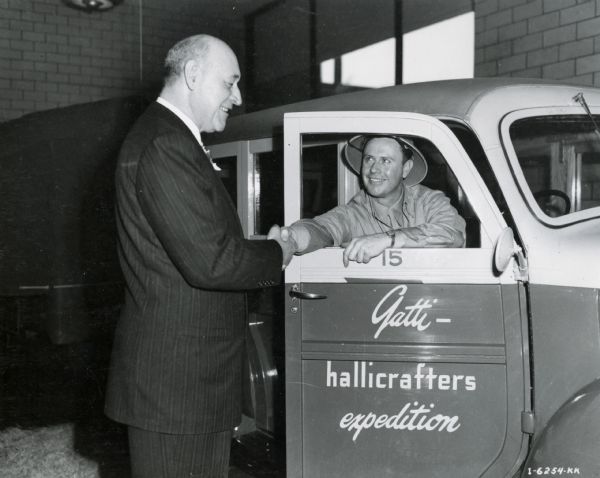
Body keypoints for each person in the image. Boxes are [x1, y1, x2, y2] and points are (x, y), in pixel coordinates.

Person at [104, 34, 294, 478]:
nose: (238, 97)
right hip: (177, 389)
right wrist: (279, 252)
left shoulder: (170, 138)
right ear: (192, 75)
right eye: (230, 83)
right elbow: (213, 262)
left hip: (185, 384)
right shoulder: (165, 144)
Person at [278, 134, 466, 266]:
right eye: (369, 159)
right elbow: (322, 228)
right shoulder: (353, 213)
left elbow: (453, 235)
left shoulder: (429, 201)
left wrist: (388, 239)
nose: (374, 169)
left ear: (406, 168)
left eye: (385, 161)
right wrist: (291, 239)